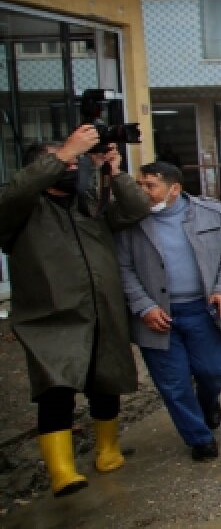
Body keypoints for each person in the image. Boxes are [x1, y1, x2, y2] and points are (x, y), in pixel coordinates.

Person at [0, 128, 150, 497]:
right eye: (64, 161)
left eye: (73, 161)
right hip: (50, 316)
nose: (71, 167)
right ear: (42, 168)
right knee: (55, 389)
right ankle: (62, 470)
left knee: (106, 380)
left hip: (102, 308)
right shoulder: (21, 210)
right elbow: (16, 192)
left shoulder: (90, 204)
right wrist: (66, 151)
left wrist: (113, 172)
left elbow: (137, 209)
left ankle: (107, 449)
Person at [116, 161, 221, 461]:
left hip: (204, 310)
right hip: (157, 316)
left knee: (213, 372)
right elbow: (123, 268)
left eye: (150, 186)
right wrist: (144, 306)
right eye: (139, 185)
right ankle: (199, 438)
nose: (143, 192)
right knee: (174, 384)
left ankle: (208, 403)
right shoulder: (129, 221)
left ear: (174, 189)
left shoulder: (212, 211)